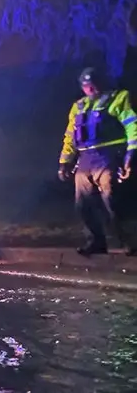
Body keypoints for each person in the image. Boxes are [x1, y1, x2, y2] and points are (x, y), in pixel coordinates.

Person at [58, 67, 137, 256]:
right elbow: (70, 136)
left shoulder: (119, 98)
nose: (91, 89)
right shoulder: (78, 107)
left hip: (109, 156)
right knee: (83, 205)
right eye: (86, 86)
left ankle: (130, 242)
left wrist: (130, 155)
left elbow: (132, 126)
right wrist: (65, 162)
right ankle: (96, 242)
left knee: (113, 201)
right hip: (85, 159)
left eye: (94, 84)